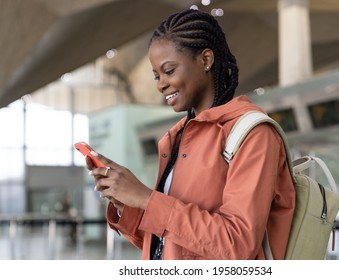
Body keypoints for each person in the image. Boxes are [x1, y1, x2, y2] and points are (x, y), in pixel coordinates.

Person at [87, 8, 295, 260]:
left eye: (169, 70)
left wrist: (147, 199)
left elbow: (237, 245)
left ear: (206, 60)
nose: (160, 84)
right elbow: (170, 243)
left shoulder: (253, 134)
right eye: (156, 75)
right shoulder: (175, 139)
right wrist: (129, 202)